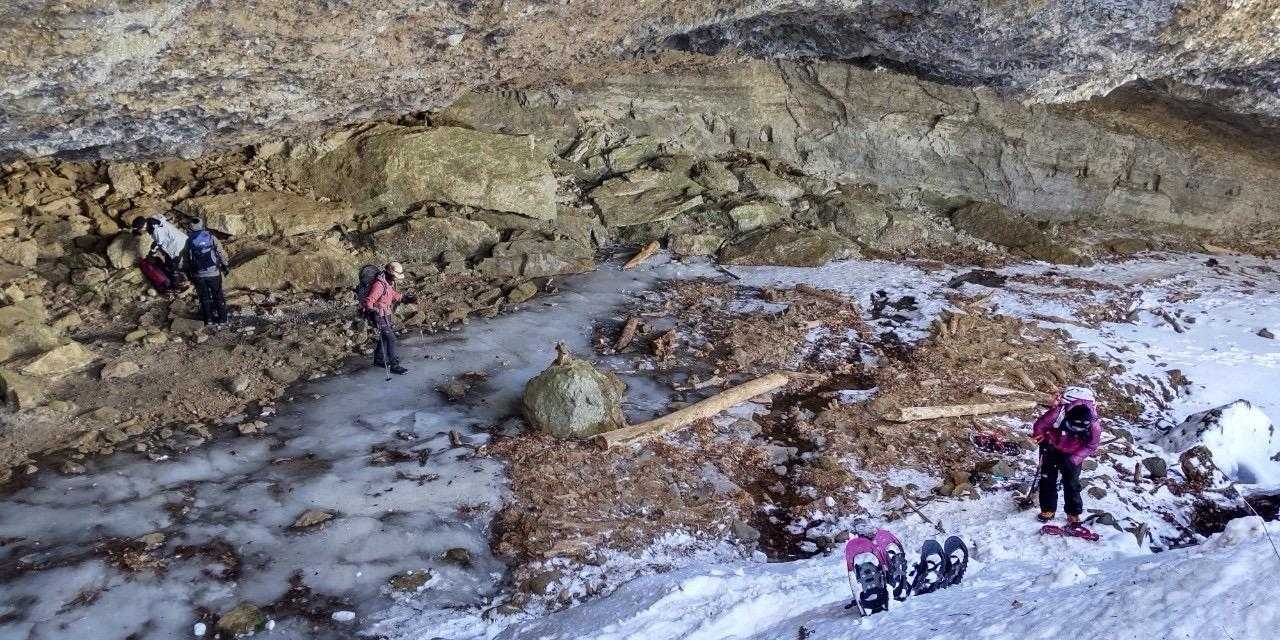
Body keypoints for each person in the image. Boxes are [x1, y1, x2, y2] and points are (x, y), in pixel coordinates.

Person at [1031, 387, 1101, 526]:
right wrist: (1041, 437)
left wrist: (1075, 459)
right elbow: (1040, 424)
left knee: (1072, 482)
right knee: (1047, 479)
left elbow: (1091, 445)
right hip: (1051, 446)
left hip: (1074, 452)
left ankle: (1073, 512)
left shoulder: (1094, 426)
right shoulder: (1058, 413)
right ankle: (1048, 509)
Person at [362, 261, 414, 375]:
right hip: (379, 316)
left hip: (386, 314)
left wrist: (404, 298)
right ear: (390, 273)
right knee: (391, 338)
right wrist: (371, 311)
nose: (396, 279)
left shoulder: (387, 282)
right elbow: (369, 300)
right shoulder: (379, 285)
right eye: (395, 276)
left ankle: (378, 360)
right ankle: (394, 365)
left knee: (385, 337)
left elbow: (392, 294)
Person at [183, 218, 230, 325]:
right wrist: (225, 265)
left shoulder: (189, 240)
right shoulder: (210, 237)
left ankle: (208, 320)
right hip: (213, 272)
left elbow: (186, 258)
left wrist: (188, 273)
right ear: (202, 225)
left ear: (191, 227)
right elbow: (220, 252)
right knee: (218, 295)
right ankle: (223, 319)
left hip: (198, 274)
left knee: (204, 297)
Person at [132, 213, 189, 291]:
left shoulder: (156, 230)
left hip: (177, 246)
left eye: (139, 229)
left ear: (142, 227)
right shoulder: (153, 220)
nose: (140, 231)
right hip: (181, 239)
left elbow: (158, 243)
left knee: (173, 266)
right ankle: (178, 278)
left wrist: (150, 254)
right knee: (169, 262)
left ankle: (178, 285)